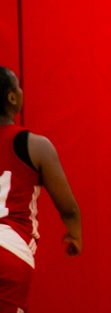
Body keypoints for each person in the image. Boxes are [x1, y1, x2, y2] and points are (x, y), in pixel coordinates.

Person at [0, 66, 82, 313]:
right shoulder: (35, 145)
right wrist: (75, 234)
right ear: (12, 97)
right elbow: (68, 207)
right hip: (9, 251)